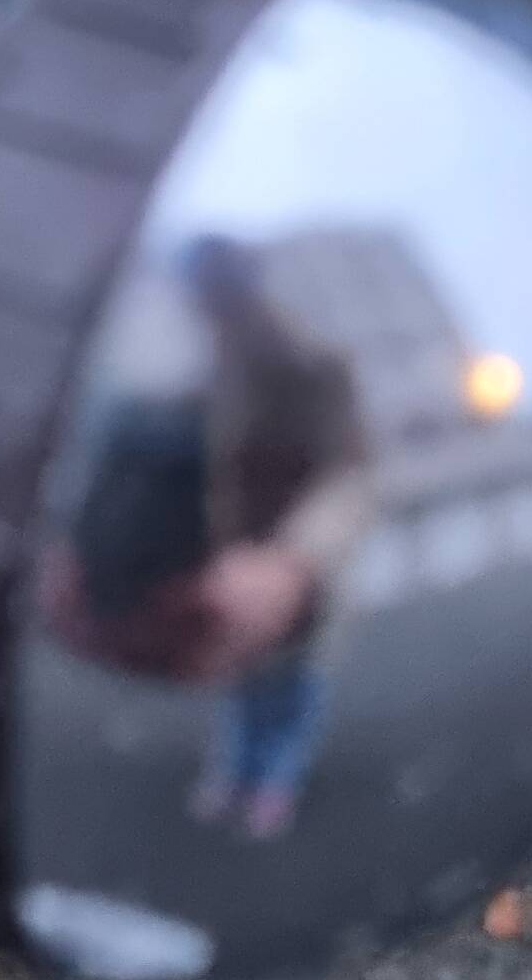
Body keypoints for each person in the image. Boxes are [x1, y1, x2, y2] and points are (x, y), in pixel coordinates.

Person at [41, 237, 372, 841]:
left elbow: (351, 474)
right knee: (242, 684)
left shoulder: (314, 364)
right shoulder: (199, 365)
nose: (211, 311)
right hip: (222, 569)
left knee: (291, 688)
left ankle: (276, 780)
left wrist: (296, 564)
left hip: (292, 578)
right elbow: (131, 457)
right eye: (203, 298)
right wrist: (79, 541)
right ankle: (237, 772)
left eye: (220, 295)